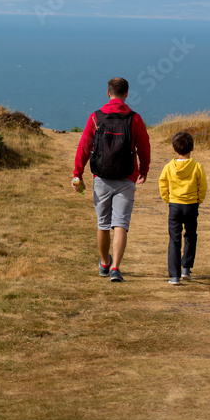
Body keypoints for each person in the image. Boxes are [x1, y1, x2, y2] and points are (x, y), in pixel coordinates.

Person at [73, 77, 150, 282]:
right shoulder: (134, 118)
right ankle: (116, 268)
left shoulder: (96, 117)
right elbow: (144, 147)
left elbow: (84, 147)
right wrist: (144, 169)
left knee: (103, 224)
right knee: (121, 224)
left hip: (102, 177)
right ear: (126, 94)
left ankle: (104, 263)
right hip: (126, 177)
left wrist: (77, 174)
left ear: (108, 93)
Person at [158, 131, 207, 286]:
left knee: (174, 239)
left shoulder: (168, 167)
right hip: (192, 205)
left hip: (175, 205)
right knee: (191, 236)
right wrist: (199, 199)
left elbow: (162, 184)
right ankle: (186, 268)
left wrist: (168, 199)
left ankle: (174, 276)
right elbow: (203, 185)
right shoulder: (197, 166)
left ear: (174, 148)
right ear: (192, 148)